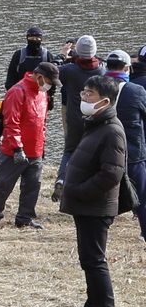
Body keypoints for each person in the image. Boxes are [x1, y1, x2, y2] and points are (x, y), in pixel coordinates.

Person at [59, 76, 127, 307]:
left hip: (95, 206)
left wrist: (80, 191)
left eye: (89, 95)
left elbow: (112, 173)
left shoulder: (112, 130)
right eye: (84, 92)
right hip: (86, 204)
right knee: (88, 259)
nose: (83, 98)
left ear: (105, 101)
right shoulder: (97, 124)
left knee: (95, 260)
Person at [0, 61, 56, 230]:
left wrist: (42, 146)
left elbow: (42, 122)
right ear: (39, 77)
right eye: (49, 82)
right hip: (14, 150)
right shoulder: (17, 91)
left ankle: (25, 217)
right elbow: (11, 122)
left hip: (35, 149)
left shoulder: (42, 94)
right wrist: (17, 148)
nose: (50, 86)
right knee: (4, 184)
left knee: (33, 186)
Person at [54, 35, 105, 201]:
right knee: (95, 154)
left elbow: (53, 71)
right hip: (96, 119)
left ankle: (62, 179)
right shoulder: (102, 70)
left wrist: (63, 54)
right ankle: (88, 188)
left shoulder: (69, 70)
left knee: (69, 151)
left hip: (74, 118)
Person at [108, 50, 146, 242]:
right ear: (127, 68)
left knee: (104, 192)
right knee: (141, 196)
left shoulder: (96, 86)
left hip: (105, 150)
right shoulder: (136, 91)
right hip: (132, 150)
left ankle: (102, 227)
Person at [5, 26, 56, 91]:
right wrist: (10, 91)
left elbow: (52, 77)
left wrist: (50, 94)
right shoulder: (19, 55)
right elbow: (11, 75)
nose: (34, 40)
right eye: (32, 38)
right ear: (27, 38)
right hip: (21, 92)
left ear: (41, 39)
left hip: (41, 93)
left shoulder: (46, 55)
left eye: (37, 38)